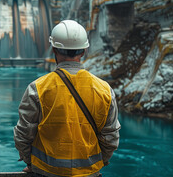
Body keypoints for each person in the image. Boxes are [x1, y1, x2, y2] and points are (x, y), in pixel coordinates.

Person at [14, 20, 120, 177]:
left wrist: (32, 163)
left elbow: (23, 135)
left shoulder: (37, 89)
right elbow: (111, 137)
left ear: (54, 49)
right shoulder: (104, 90)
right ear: (84, 51)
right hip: (89, 173)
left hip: (45, 172)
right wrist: (96, 165)